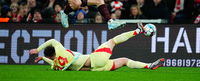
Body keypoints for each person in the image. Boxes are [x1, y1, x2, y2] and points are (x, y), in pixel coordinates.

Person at [29, 22, 164, 71]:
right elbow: (52, 40)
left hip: (97, 69)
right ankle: (138, 31)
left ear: (49, 57)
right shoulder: (60, 50)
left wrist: (43, 58)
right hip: (96, 59)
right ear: (55, 51)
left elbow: (51, 62)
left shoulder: (57, 66)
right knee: (112, 41)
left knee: (123, 61)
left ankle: (149, 65)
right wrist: (37, 50)